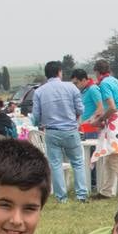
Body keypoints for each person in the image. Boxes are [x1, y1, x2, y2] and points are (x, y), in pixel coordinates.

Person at [31, 60, 88, 203]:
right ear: (59, 72)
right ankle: (81, 195)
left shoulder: (39, 92)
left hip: (52, 132)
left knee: (55, 165)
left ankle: (61, 197)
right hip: (70, 129)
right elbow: (80, 109)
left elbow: (36, 116)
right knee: (78, 162)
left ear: (46, 75)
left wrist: (39, 124)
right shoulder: (71, 87)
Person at [91, 58, 118, 200]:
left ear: (97, 72)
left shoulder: (104, 84)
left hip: (117, 121)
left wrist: (100, 120)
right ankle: (105, 191)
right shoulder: (117, 81)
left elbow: (112, 107)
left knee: (115, 160)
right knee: (110, 157)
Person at [72, 68, 102, 139]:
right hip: (85, 128)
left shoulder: (93, 89)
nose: (75, 86)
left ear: (84, 80)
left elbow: (101, 108)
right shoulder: (82, 91)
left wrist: (89, 120)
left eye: (76, 83)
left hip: (93, 129)